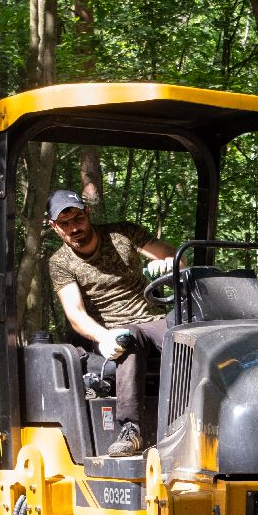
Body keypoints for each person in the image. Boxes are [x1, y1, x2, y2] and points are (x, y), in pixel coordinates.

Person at [45, 189, 177, 457]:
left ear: (88, 213)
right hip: (114, 330)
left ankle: (204, 419)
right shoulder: (60, 262)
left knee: (191, 335)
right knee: (129, 338)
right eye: (65, 224)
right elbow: (76, 314)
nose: (74, 228)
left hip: (154, 318)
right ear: (54, 227)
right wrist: (104, 337)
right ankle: (131, 430)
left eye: (78, 219)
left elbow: (176, 259)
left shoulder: (123, 234)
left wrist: (168, 265)